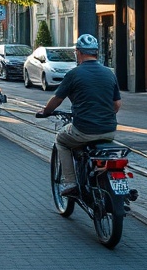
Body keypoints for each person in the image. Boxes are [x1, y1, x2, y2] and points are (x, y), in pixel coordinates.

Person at [36, 34, 121, 197]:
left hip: (83, 129)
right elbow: (116, 105)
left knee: (61, 140)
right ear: (96, 53)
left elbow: (57, 99)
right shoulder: (109, 73)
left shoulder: (74, 74)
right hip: (109, 130)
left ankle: (71, 182)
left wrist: (45, 111)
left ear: (79, 53)